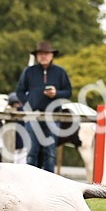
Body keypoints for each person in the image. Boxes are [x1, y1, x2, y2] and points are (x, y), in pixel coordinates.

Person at [15, 40, 73, 172]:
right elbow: (19, 91)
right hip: (32, 117)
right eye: (40, 54)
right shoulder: (29, 72)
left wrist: (56, 93)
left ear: (52, 55)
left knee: (50, 154)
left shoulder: (60, 72)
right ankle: (29, 184)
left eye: (46, 53)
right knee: (31, 153)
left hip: (53, 117)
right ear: (36, 56)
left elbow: (68, 92)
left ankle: (50, 185)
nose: (43, 56)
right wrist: (28, 104)